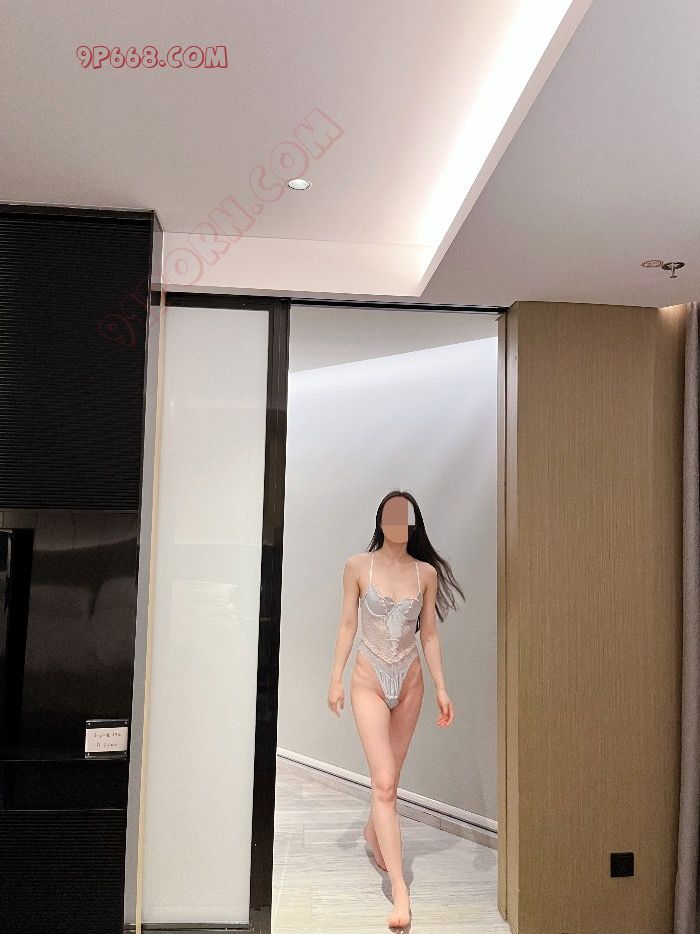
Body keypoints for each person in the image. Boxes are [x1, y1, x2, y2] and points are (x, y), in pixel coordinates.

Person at [327, 490, 463, 930]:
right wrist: (335, 678)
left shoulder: (425, 573)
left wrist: (442, 688)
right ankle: (400, 891)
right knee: (383, 782)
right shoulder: (357, 566)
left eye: (405, 518)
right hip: (368, 680)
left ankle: (374, 831)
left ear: (413, 524)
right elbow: (348, 623)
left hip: (410, 683)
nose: (398, 525)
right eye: (391, 517)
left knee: (390, 781)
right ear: (381, 521)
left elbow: (429, 635)